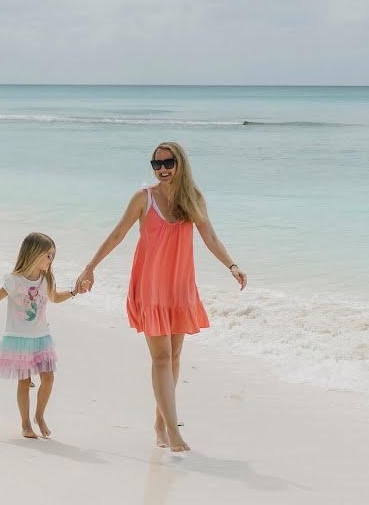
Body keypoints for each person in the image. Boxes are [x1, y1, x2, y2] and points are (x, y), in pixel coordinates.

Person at [75, 141, 247, 452]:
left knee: (175, 357)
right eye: (157, 164)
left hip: (179, 287)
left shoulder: (193, 199)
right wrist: (90, 267)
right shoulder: (144, 198)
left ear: (180, 164)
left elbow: (210, 236)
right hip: (151, 287)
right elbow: (118, 233)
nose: (163, 169)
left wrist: (231, 265)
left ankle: (159, 422)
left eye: (168, 163)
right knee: (162, 357)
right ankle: (172, 429)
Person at [0, 232, 77, 439]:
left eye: (53, 255)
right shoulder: (14, 280)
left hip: (41, 337)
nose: (51, 259)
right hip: (19, 339)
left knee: (48, 378)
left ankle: (39, 416)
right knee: (24, 382)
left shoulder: (46, 279)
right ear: (34, 254)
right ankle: (25, 423)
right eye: (48, 255)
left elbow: (55, 298)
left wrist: (74, 291)